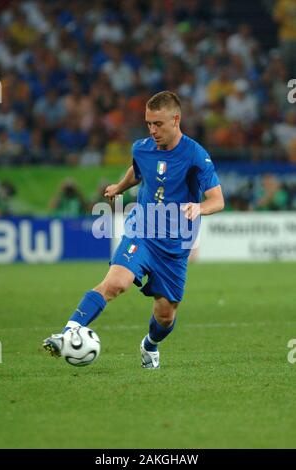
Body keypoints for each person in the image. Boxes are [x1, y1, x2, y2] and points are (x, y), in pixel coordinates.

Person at [43, 91, 224, 369]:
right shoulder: (142, 148)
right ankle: (67, 333)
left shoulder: (196, 155)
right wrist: (119, 187)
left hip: (175, 246)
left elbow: (217, 199)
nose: (152, 130)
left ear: (176, 120)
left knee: (165, 317)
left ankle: (149, 345)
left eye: (158, 124)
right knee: (115, 284)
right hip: (142, 231)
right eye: (148, 123)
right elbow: (137, 170)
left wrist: (199, 208)